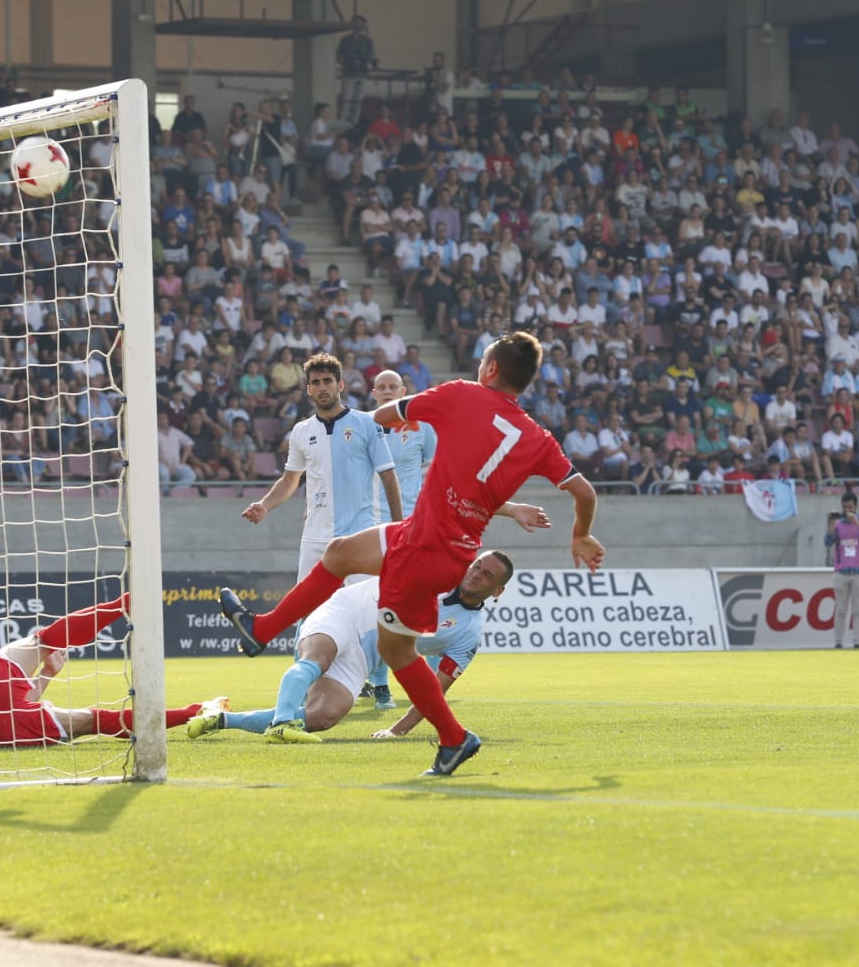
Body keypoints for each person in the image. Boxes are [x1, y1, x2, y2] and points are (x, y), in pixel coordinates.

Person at [218, 331, 606, 776]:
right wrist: (581, 534)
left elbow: (385, 414)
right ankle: (260, 629)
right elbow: (585, 491)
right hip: (438, 543)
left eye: (483, 360)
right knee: (341, 554)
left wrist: (400, 416)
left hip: (424, 547)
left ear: (491, 369)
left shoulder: (462, 394)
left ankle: (455, 738)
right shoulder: (539, 438)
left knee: (396, 649)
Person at [0, 538, 225, 745]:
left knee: (95, 721)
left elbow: (16, 705)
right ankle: (128, 602)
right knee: (44, 640)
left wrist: (47, 675)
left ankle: (196, 712)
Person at [188, 551, 519, 744]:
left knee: (323, 716)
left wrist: (397, 731)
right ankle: (282, 724)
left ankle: (221, 720)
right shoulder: (439, 567)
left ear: (498, 591)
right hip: (347, 611)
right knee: (318, 658)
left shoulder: (468, 635)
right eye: (477, 565)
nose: (476, 575)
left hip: (365, 656)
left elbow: (434, 690)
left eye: (487, 576)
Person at [242, 353, 401, 581]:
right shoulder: (301, 431)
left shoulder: (366, 424)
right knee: (306, 614)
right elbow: (289, 480)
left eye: (328, 381)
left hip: (358, 536)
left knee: (364, 610)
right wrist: (265, 505)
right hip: (315, 539)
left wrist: (397, 528)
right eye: (316, 383)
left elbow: (388, 475)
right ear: (308, 389)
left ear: (340, 385)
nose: (322, 387)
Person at [363, 368, 437, 709]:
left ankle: (414, 678)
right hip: (368, 524)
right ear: (374, 393)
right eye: (382, 387)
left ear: (404, 391)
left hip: (411, 526)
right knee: (373, 603)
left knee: (399, 606)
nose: (389, 391)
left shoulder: (425, 428)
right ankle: (378, 682)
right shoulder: (362, 425)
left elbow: (434, 471)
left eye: (394, 386)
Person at [824, 491, 859, 649]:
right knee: (840, 609)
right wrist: (832, 524)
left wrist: (857, 523)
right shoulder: (838, 524)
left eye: (850, 507)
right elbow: (827, 542)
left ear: (856, 507)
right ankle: (838, 642)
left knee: (858, 610)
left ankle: (857, 642)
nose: (848, 511)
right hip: (841, 572)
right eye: (845, 508)